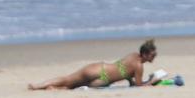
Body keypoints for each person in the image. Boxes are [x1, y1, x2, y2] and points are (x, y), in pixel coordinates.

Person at [28, 39, 158, 90]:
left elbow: (124, 70)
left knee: (68, 79)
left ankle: (38, 85)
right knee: (72, 86)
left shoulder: (132, 55)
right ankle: (52, 89)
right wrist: (152, 81)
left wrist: (131, 81)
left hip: (100, 68)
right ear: (145, 54)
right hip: (103, 80)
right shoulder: (139, 66)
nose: (154, 56)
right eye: (153, 54)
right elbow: (139, 85)